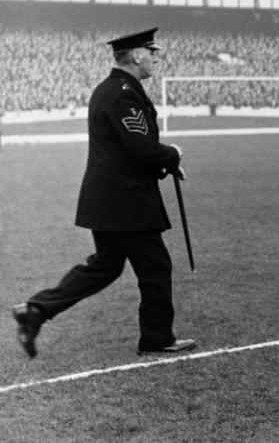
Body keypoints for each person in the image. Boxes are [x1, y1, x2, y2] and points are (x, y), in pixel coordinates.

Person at [10, 28, 196, 357]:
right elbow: (140, 148)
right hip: (127, 202)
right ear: (136, 55)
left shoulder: (110, 89)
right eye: (152, 51)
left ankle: (36, 310)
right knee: (155, 267)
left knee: (106, 265)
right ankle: (157, 339)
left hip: (108, 198)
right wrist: (172, 156)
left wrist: (164, 165)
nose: (157, 56)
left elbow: (124, 150)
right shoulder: (124, 93)